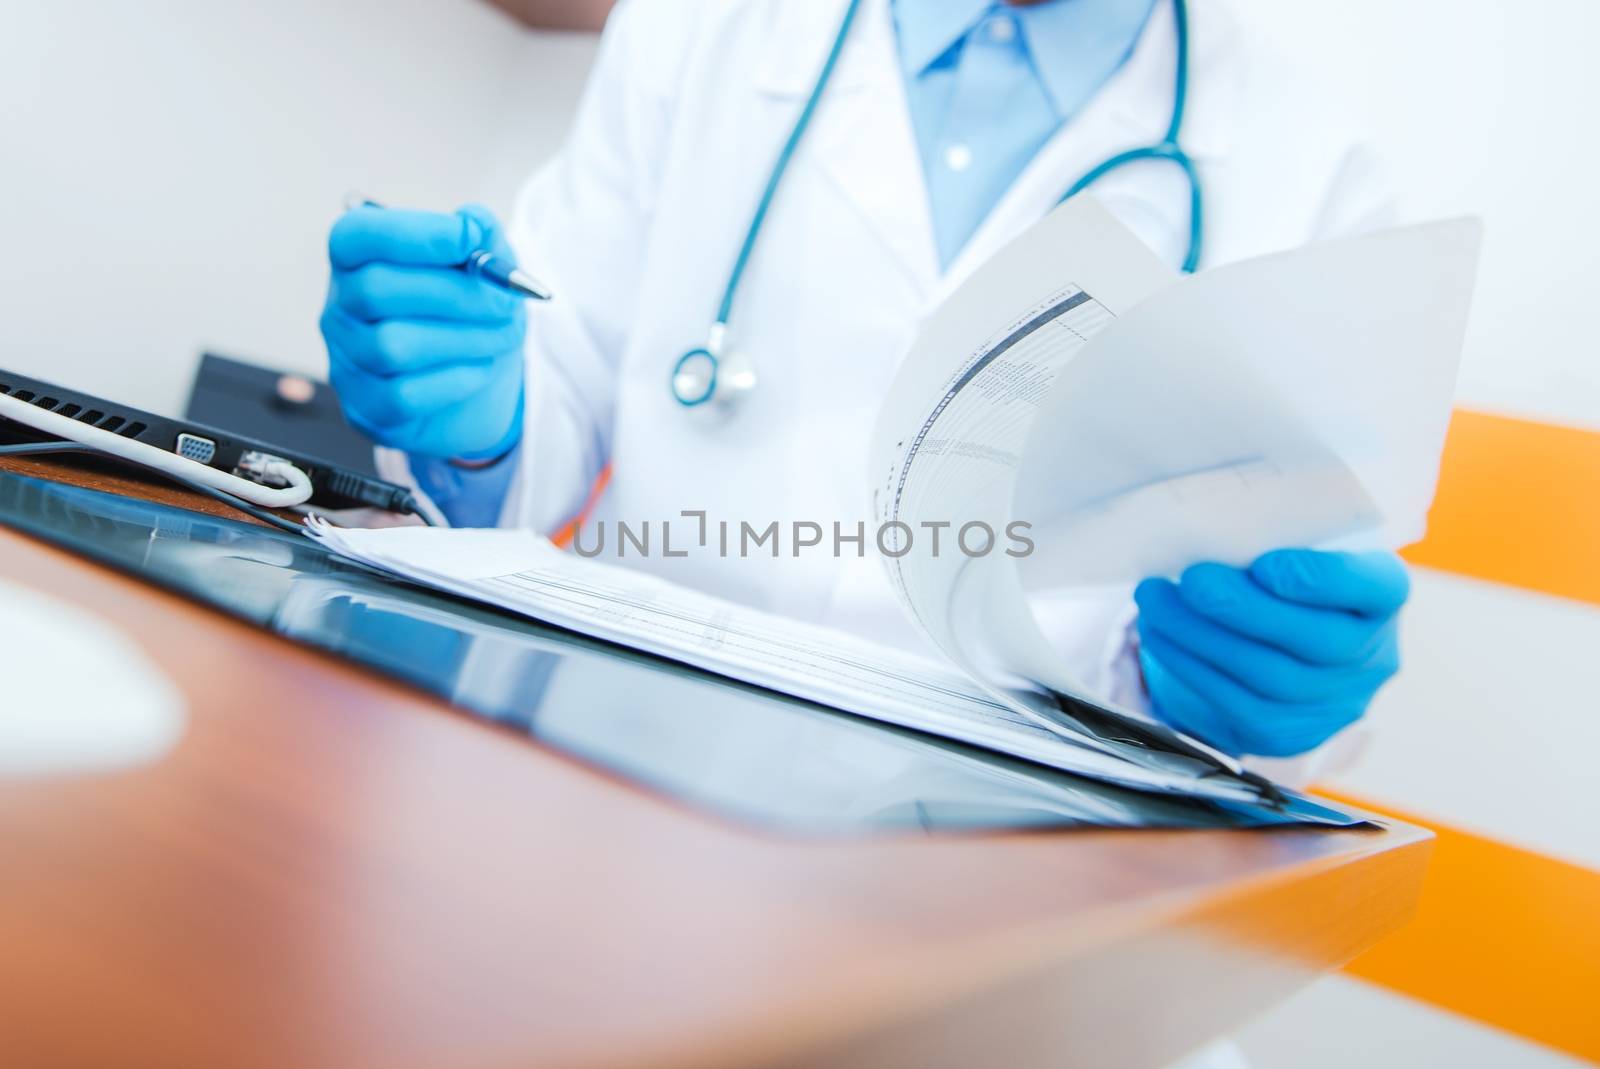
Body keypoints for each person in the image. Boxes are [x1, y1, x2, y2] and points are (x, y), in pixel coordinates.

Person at [320, 0, 1408, 780]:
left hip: (1011, 839)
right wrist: (475, 414)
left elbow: (1275, 631)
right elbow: (550, 397)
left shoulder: (1311, 167)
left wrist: (1248, 685)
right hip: (604, 755)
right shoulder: (696, 28)